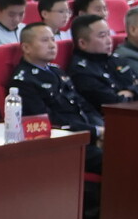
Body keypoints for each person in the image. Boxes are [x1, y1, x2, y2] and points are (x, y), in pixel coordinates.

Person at [8, 23, 105, 180]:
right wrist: (95, 132)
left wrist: (102, 128)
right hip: (66, 143)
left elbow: (82, 104)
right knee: (119, 157)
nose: (52, 45)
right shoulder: (23, 81)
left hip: (87, 134)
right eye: (45, 40)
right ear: (26, 48)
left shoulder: (56, 71)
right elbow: (47, 122)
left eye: (53, 39)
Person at [68, 13, 138, 107]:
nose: (109, 41)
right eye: (102, 36)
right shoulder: (82, 72)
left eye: (109, 34)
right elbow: (113, 103)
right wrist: (137, 90)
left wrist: (131, 92)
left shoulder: (115, 59)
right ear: (83, 43)